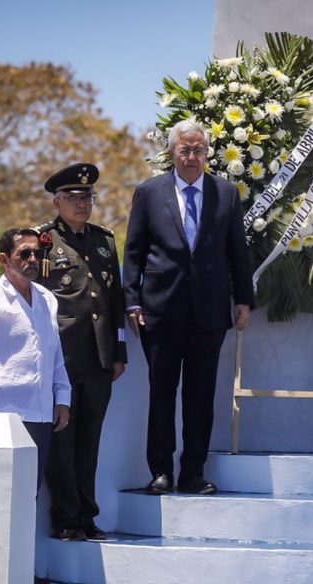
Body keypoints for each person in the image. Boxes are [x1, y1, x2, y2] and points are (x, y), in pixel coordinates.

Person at [123, 120, 254, 495]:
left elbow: (237, 252)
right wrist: (131, 300)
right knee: (161, 393)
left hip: (209, 313)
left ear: (208, 153)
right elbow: (134, 250)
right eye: (185, 150)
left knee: (200, 397)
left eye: (199, 150)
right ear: (171, 153)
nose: (192, 157)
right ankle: (160, 472)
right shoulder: (149, 192)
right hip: (160, 311)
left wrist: (243, 298)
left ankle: (193, 472)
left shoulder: (225, 193)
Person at [0, 228, 71, 584]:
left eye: (34, 254)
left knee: (31, 496)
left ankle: (22, 568)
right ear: (3, 260)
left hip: (40, 413)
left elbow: (54, 354)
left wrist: (63, 396)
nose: (31, 261)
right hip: (2, 415)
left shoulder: (46, 298)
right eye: (22, 254)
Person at [36, 163, 127, 542]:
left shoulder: (104, 240)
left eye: (87, 197)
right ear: (57, 201)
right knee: (63, 443)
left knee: (89, 442)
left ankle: (88, 516)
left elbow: (115, 299)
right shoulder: (41, 242)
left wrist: (119, 351)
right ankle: (66, 519)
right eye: (73, 198)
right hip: (63, 359)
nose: (81, 204)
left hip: (99, 359)